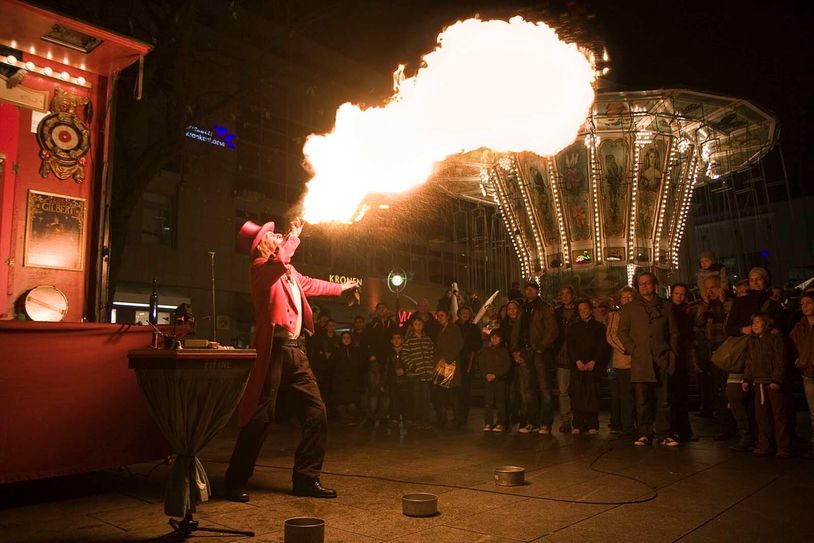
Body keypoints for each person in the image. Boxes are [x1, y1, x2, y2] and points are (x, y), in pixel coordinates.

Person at [225, 219, 357, 502]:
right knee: (260, 418)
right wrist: (294, 237)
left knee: (316, 413)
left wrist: (341, 288)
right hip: (273, 351)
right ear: (261, 245)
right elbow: (280, 263)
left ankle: (306, 479)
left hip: (296, 350)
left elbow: (308, 283)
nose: (277, 234)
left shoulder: (287, 269)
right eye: (271, 234)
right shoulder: (260, 269)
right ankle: (234, 481)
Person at [723, 267, 783, 452]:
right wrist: (743, 329)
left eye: (759, 279)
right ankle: (746, 432)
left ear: (766, 281)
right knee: (734, 393)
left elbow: (781, 329)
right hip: (743, 353)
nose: (755, 283)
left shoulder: (772, 305)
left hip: (764, 358)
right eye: (752, 280)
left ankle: (767, 437)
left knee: (764, 400)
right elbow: (729, 327)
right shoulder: (741, 302)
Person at [618, 272, 679, 447]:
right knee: (642, 400)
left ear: (654, 285)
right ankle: (644, 432)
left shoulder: (666, 307)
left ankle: (664, 433)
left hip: (661, 358)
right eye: (641, 283)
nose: (645, 286)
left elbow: (673, 332)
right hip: (641, 360)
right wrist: (633, 349)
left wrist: (672, 353)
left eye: (648, 283)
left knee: (664, 400)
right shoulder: (629, 309)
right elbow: (622, 331)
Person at [742, 313, 790, 458]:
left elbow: (780, 359)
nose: (755, 325)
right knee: (761, 416)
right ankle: (765, 444)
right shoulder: (752, 341)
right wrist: (747, 379)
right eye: (753, 323)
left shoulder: (775, 338)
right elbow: (750, 361)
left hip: (772, 382)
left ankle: (783, 446)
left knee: (778, 415)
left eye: (758, 322)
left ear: (766, 323)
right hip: (759, 382)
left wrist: (777, 380)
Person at [693, 275, 733, 437]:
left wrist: (723, 301)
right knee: (717, 389)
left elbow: (732, 319)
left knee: (726, 389)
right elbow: (697, 322)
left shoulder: (728, 302)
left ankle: (732, 424)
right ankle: (724, 423)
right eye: (707, 289)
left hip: (727, 351)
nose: (710, 292)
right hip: (711, 351)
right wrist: (705, 305)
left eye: (713, 288)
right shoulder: (705, 305)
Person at [567, 299, 609, 435]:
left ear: (591, 310)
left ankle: (592, 424)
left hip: (593, 366)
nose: (583, 311)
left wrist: (594, 361)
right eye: (580, 309)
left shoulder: (599, 327)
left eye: (585, 309)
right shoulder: (574, 328)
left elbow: (602, 346)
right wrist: (577, 361)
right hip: (578, 366)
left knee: (592, 395)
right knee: (578, 394)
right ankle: (578, 423)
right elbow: (570, 346)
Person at [522, 281, 559, 434]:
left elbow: (552, 329)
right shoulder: (523, 308)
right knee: (528, 389)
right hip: (526, 351)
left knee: (544, 388)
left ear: (537, 291)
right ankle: (533, 421)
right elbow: (519, 328)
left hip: (538, 351)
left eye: (532, 289)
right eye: (527, 289)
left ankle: (546, 422)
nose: (529, 291)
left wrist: (542, 346)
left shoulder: (543, 307)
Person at [606, 286, 637, 436]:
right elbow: (611, 336)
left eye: (630, 297)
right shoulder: (616, 315)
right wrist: (625, 349)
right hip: (623, 361)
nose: (627, 300)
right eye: (624, 297)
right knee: (626, 395)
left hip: (638, 360)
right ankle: (627, 425)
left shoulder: (639, 313)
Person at [363, 302, 399, 426]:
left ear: (388, 311)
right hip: (375, 361)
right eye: (379, 308)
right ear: (376, 311)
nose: (382, 310)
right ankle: (370, 416)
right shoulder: (371, 325)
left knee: (387, 389)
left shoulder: (393, 325)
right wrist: (371, 356)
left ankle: (383, 415)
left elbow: (397, 340)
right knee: (374, 389)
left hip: (389, 361)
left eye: (384, 308)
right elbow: (365, 342)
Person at [669, 284, 695, 442]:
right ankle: (675, 429)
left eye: (682, 294)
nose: (679, 297)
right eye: (677, 294)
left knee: (681, 396)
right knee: (673, 396)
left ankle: (683, 429)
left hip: (682, 358)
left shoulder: (686, 312)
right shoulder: (669, 311)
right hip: (673, 358)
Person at [789, 292, 814, 459]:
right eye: (802, 304)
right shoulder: (799, 327)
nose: (805, 307)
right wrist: (798, 360)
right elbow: (792, 345)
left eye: (809, 303)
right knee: (813, 411)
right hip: (808, 372)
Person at [432, 309, 464, 428]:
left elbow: (458, 344)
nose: (439, 318)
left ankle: (457, 418)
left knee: (452, 393)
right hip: (442, 365)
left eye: (441, 315)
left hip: (450, 364)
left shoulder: (454, 328)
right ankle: (443, 417)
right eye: (438, 315)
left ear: (448, 316)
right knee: (442, 393)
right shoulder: (441, 330)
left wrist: (448, 358)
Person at [554, 285, 580, 433]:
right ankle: (565, 421)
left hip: (576, 355)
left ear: (573, 295)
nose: (565, 296)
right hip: (561, 356)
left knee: (576, 391)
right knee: (563, 391)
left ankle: (578, 420)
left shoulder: (579, 311)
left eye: (567, 293)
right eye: (562, 293)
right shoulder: (557, 313)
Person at [401, 318, 435, 428]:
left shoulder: (427, 340)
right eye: (416, 324)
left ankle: (425, 420)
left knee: (425, 397)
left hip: (426, 373)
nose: (418, 326)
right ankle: (416, 419)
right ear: (413, 326)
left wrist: (430, 366)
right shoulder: (409, 340)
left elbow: (431, 353)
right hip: (414, 374)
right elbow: (404, 355)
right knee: (416, 397)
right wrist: (413, 366)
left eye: (420, 324)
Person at [478, 329, 511, 432]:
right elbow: (481, 363)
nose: (494, 339)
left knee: (500, 402)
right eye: (492, 337)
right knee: (488, 402)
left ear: (501, 339)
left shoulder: (504, 351)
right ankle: (488, 422)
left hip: (499, 380)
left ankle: (501, 423)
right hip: (487, 379)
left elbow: (506, 365)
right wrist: (486, 374)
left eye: (497, 337)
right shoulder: (486, 350)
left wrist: (496, 375)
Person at [456, 305, 483, 425]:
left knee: (466, 389)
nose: (465, 314)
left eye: (467, 313)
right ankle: (457, 414)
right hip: (456, 361)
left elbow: (479, 344)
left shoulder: (474, 328)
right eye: (463, 312)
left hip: (468, 361)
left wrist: (471, 348)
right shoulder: (454, 326)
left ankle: (463, 415)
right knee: (456, 390)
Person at [331, 331, 365, 424]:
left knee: (351, 400)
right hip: (340, 380)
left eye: (348, 338)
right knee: (341, 401)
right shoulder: (337, 351)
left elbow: (359, 365)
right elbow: (333, 365)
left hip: (352, 380)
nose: (346, 340)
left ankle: (351, 418)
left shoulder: (355, 351)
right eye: (344, 338)